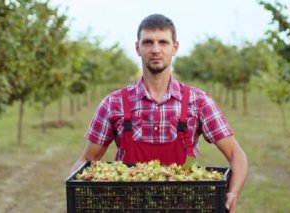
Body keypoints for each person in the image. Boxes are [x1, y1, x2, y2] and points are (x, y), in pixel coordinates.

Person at [70, 14, 248, 212]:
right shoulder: (114, 103)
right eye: (148, 42)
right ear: (138, 48)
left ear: (175, 47)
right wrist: (76, 192)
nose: (155, 49)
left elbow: (236, 154)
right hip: (128, 206)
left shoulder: (198, 102)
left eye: (163, 42)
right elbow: (87, 160)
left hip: (184, 206)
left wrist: (233, 194)